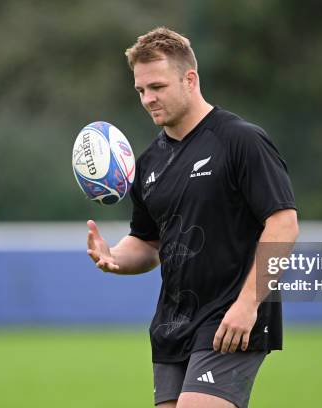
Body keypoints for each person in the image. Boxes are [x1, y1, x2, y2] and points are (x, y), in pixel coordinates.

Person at [86, 27, 298, 408]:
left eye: (157, 87)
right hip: (172, 323)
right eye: (140, 91)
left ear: (190, 79)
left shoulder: (240, 141)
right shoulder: (149, 162)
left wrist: (248, 304)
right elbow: (148, 244)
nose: (148, 99)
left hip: (231, 317)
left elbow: (284, 223)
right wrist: (114, 257)